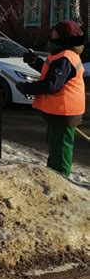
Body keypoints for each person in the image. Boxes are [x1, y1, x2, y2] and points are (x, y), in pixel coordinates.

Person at [16, 20, 86, 177]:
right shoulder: (62, 54)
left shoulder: (65, 57)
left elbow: (51, 84)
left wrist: (26, 87)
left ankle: (61, 181)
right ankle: (54, 175)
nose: (51, 33)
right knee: (56, 147)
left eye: (54, 30)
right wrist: (35, 62)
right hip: (60, 111)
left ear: (62, 35)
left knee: (61, 150)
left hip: (65, 111)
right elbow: (53, 73)